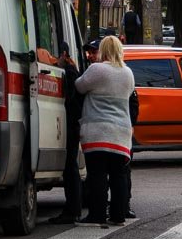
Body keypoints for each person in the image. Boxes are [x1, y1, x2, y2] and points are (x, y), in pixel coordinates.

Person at [75, 35, 135, 226]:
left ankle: (97, 214)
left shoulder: (96, 69)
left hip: (98, 131)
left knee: (97, 175)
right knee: (119, 175)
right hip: (121, 132)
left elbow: (79, 86)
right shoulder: (128, 73)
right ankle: (119, 214)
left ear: (103, 50)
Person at [50, 41, 84, 224]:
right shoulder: (71, 70)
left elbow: (71, 100)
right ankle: (73, 209)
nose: (53, 61)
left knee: (70, 168)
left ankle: (72, 210)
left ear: (63, 54)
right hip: (72, 123)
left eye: (55, 57)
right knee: (70, 168)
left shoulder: (70, 73)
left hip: (71, 124)